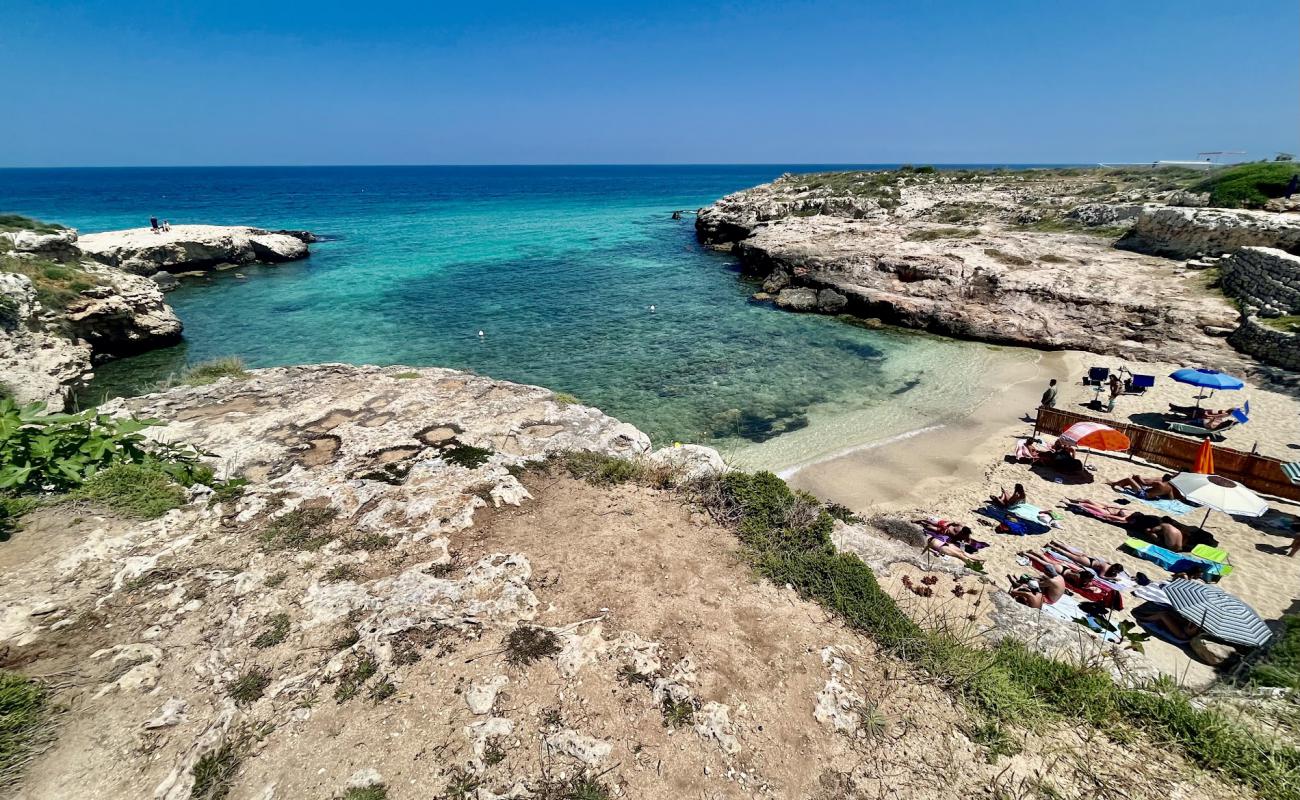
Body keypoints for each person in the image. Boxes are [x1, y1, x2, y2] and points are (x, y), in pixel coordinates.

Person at [914, 517, 984, 569]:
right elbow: (951, 522)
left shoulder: (965, 537)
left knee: (930, 527)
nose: (965, 536)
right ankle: (919, 520)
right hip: (944, 530)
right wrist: (945, 526)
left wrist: (962, 547)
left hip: (944, 538)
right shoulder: (959, 526)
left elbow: (963, 542)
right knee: (930, 522)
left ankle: (979, 560)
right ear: (962, 531)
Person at [1047, 540, 1128, 580]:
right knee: (1067, 554)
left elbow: (1106, 563)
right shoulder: (1106, 568)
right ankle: (1050, 545)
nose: (1116, 573)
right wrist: (1112, 578)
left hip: (1090, 559)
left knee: (1070, 551)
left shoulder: (1109, 564)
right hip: (1088, 563)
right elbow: (1101, 576)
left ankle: (1054, 542)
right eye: (1117, 571)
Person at [1110, 473, 1181, 501]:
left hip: (1143, 495)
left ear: (1163, 478)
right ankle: (1120, 485)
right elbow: (1171, 498)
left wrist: (1139, 477)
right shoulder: (1169, 488)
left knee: (1129, 479)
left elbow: (1144, 483)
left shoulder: (1159, 483)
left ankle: (1114, 484)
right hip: (1151, 497)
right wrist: (1158, 496)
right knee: (1134, 481)